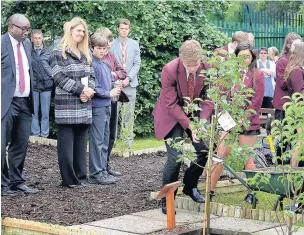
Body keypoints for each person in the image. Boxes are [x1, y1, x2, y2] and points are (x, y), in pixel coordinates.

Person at [153, 40, 213, 214]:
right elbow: (171, 104)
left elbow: (208, 98)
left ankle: (190, 185)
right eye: (189, 65)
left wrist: (200, 124)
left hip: (195, 114)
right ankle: (168, 198)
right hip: (171, 115)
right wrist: (190, 126)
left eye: (196, 64)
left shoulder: (208, 67)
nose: (194, 68)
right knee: (175, 157)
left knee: (203, 150)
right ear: (181, 60)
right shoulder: (169, 70)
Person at [210, 44, 264, 197]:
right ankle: (210, 192)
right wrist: (226, 117)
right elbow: (221, 97)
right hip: (228, 119)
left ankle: (251, 194)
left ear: (252, 57)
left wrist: (243, 118)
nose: (244, 59)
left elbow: (257, 100)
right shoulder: (229, 73)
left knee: (248, 157)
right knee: (220, 155)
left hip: (248, 121)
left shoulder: (257, 75)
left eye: (247, 56)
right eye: (241, 56)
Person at [50, 17, 95, 188]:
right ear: (70, 31)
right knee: (66, 148)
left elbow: (92, 75)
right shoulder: (57, 52)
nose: (81, 34)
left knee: (81, 145)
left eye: (83, 31)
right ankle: (69, 180)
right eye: (78, 31)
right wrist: (81, 90)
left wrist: (89, 91)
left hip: (84, 105)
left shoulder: (85, 53)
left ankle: (81, 177)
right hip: (67, 107)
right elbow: (59, 78)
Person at [1, 14, 39, 196]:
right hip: (6, 102)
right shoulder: (1, 44)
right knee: (1, 145)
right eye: (23, 29)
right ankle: (2, 185)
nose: (26, 32)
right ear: (11, 27)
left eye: (28, 29)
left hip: (25, 101)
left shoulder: (27, 44)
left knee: (20, 143)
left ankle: (17, 181)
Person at [88, 33, 122, 184]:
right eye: (99, 48)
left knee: (105, 140)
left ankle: (103, 171)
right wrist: (108, 92)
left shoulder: (105, 64)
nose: (102, 51)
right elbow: (93, 88)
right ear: (92, 48)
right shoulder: (92, 64)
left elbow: (109, 82)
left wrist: (116, 85)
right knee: (97, 141)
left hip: (107, 106)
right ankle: (96, 173)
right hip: (97, 108)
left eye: (104, 48)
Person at [96, 27, 127, 177]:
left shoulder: (111, 57)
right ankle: (99, 168)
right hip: (101, 100)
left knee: (111, 134)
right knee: (100, 136)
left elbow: (123, 72)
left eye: (109, 41)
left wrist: (113, 74)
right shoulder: (95, 57)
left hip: (113, 100)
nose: (107, 45)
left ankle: (106, 164)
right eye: (105, 41)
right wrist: (112, 75)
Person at [110, 18, 141, 147]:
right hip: (115, 84)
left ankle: (128, 141)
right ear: (118, 29)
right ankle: (114, 141)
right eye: (122, 28)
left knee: (128, 114)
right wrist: (118, 79)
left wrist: (128, 78)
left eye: (126, 29)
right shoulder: (111, 44)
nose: (124, 31)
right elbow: (109, 62)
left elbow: (137, 63)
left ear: (129, 29)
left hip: (130, 83)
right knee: (114, 114)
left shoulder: (134, 44)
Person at [272, 33, 302, 162]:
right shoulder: (282, 61)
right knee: (283, 135)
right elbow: (283, 83)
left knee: (295, 134)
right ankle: (280, 162)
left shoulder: (298, 62)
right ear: (289, 45)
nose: (298, 46)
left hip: (295, 105)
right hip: (283, 104)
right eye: (296, 44)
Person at [283, 42, 304, 167]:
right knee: (300, 141)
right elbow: (299, 92)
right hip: (299, 109)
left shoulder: (298, 69)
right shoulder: (296, 71)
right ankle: (293, 169)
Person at [30, 29, 53, 137]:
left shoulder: (48, 52)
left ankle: (44, 135)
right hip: (33, 86)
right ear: (32, 39)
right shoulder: (28, 51)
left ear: (42, 38)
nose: (38, 41)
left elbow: (53, 68)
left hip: (46, 86)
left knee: (45, 113)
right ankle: (35, 135)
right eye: (35, 38)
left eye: (39, 38)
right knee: (33, 112)